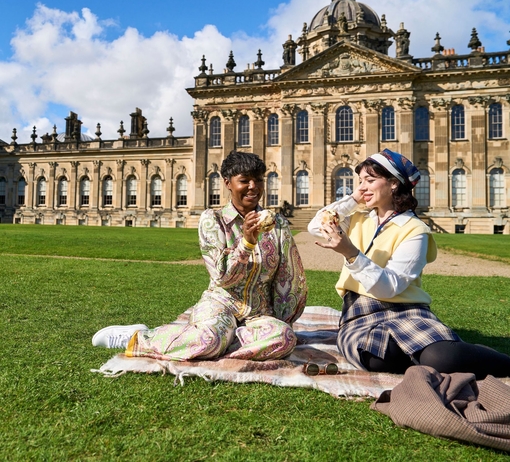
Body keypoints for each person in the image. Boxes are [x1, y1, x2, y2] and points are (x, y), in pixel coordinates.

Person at [308, 148, 510, 379]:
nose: (361, 187)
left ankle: (486, 359)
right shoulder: (357, 217)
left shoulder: (415, 230)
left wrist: (352, 254)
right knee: (377, 357)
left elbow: (389, 287)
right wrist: (354, 199)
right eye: (360, 180)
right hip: (359, 315)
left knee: (441, 359)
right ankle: (440, 353)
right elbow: (315, 226)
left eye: (370, 180)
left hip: (407, 311)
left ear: (394, 184)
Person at [93, 150, 307, 361]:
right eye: (245, 180)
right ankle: (140, 338)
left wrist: (282, 321)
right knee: (209, 339)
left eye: (258, 180)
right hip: (220, 304)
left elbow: (289, 277)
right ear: (227, 183)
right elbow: (222, 277)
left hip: (259, 314)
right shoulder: (212, 220)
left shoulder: (277, 224)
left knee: (284, 337)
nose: (254, 187)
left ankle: (214, 342)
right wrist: (247, 242)